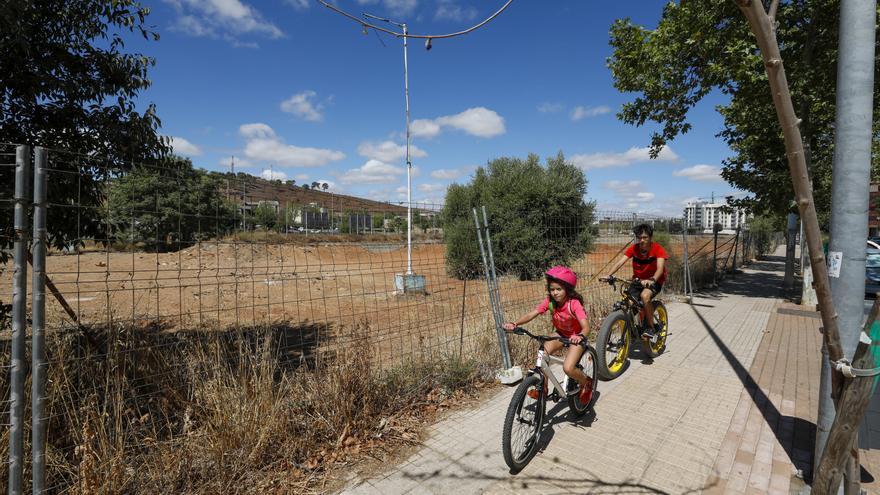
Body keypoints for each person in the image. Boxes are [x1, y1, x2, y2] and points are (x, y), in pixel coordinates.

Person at [502, 265, 593, 404]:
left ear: (567, 290)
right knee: (541, 355)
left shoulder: (573, 304)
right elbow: (532, 313)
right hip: (560, 333)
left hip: (575, 337)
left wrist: (580, 336)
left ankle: (586, 382)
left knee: (568, 368)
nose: (555, 293)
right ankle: (542, 390)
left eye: (559, 289)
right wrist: (515, 324)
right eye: (552, 289)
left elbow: (586, 327)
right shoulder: (550, 302)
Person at [602, 223, 668, 339]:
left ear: (650, 237)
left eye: (645, 237)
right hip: (638, 281)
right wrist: (609, 275)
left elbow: (660, 269)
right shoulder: (633, 249)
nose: (641, 240)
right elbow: (619, 263)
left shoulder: (658, 249)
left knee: (645, 296)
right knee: (629, 303)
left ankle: (651, 327)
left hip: (655, 281)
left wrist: (652, 280)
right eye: (639, 238)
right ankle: (633, 330)